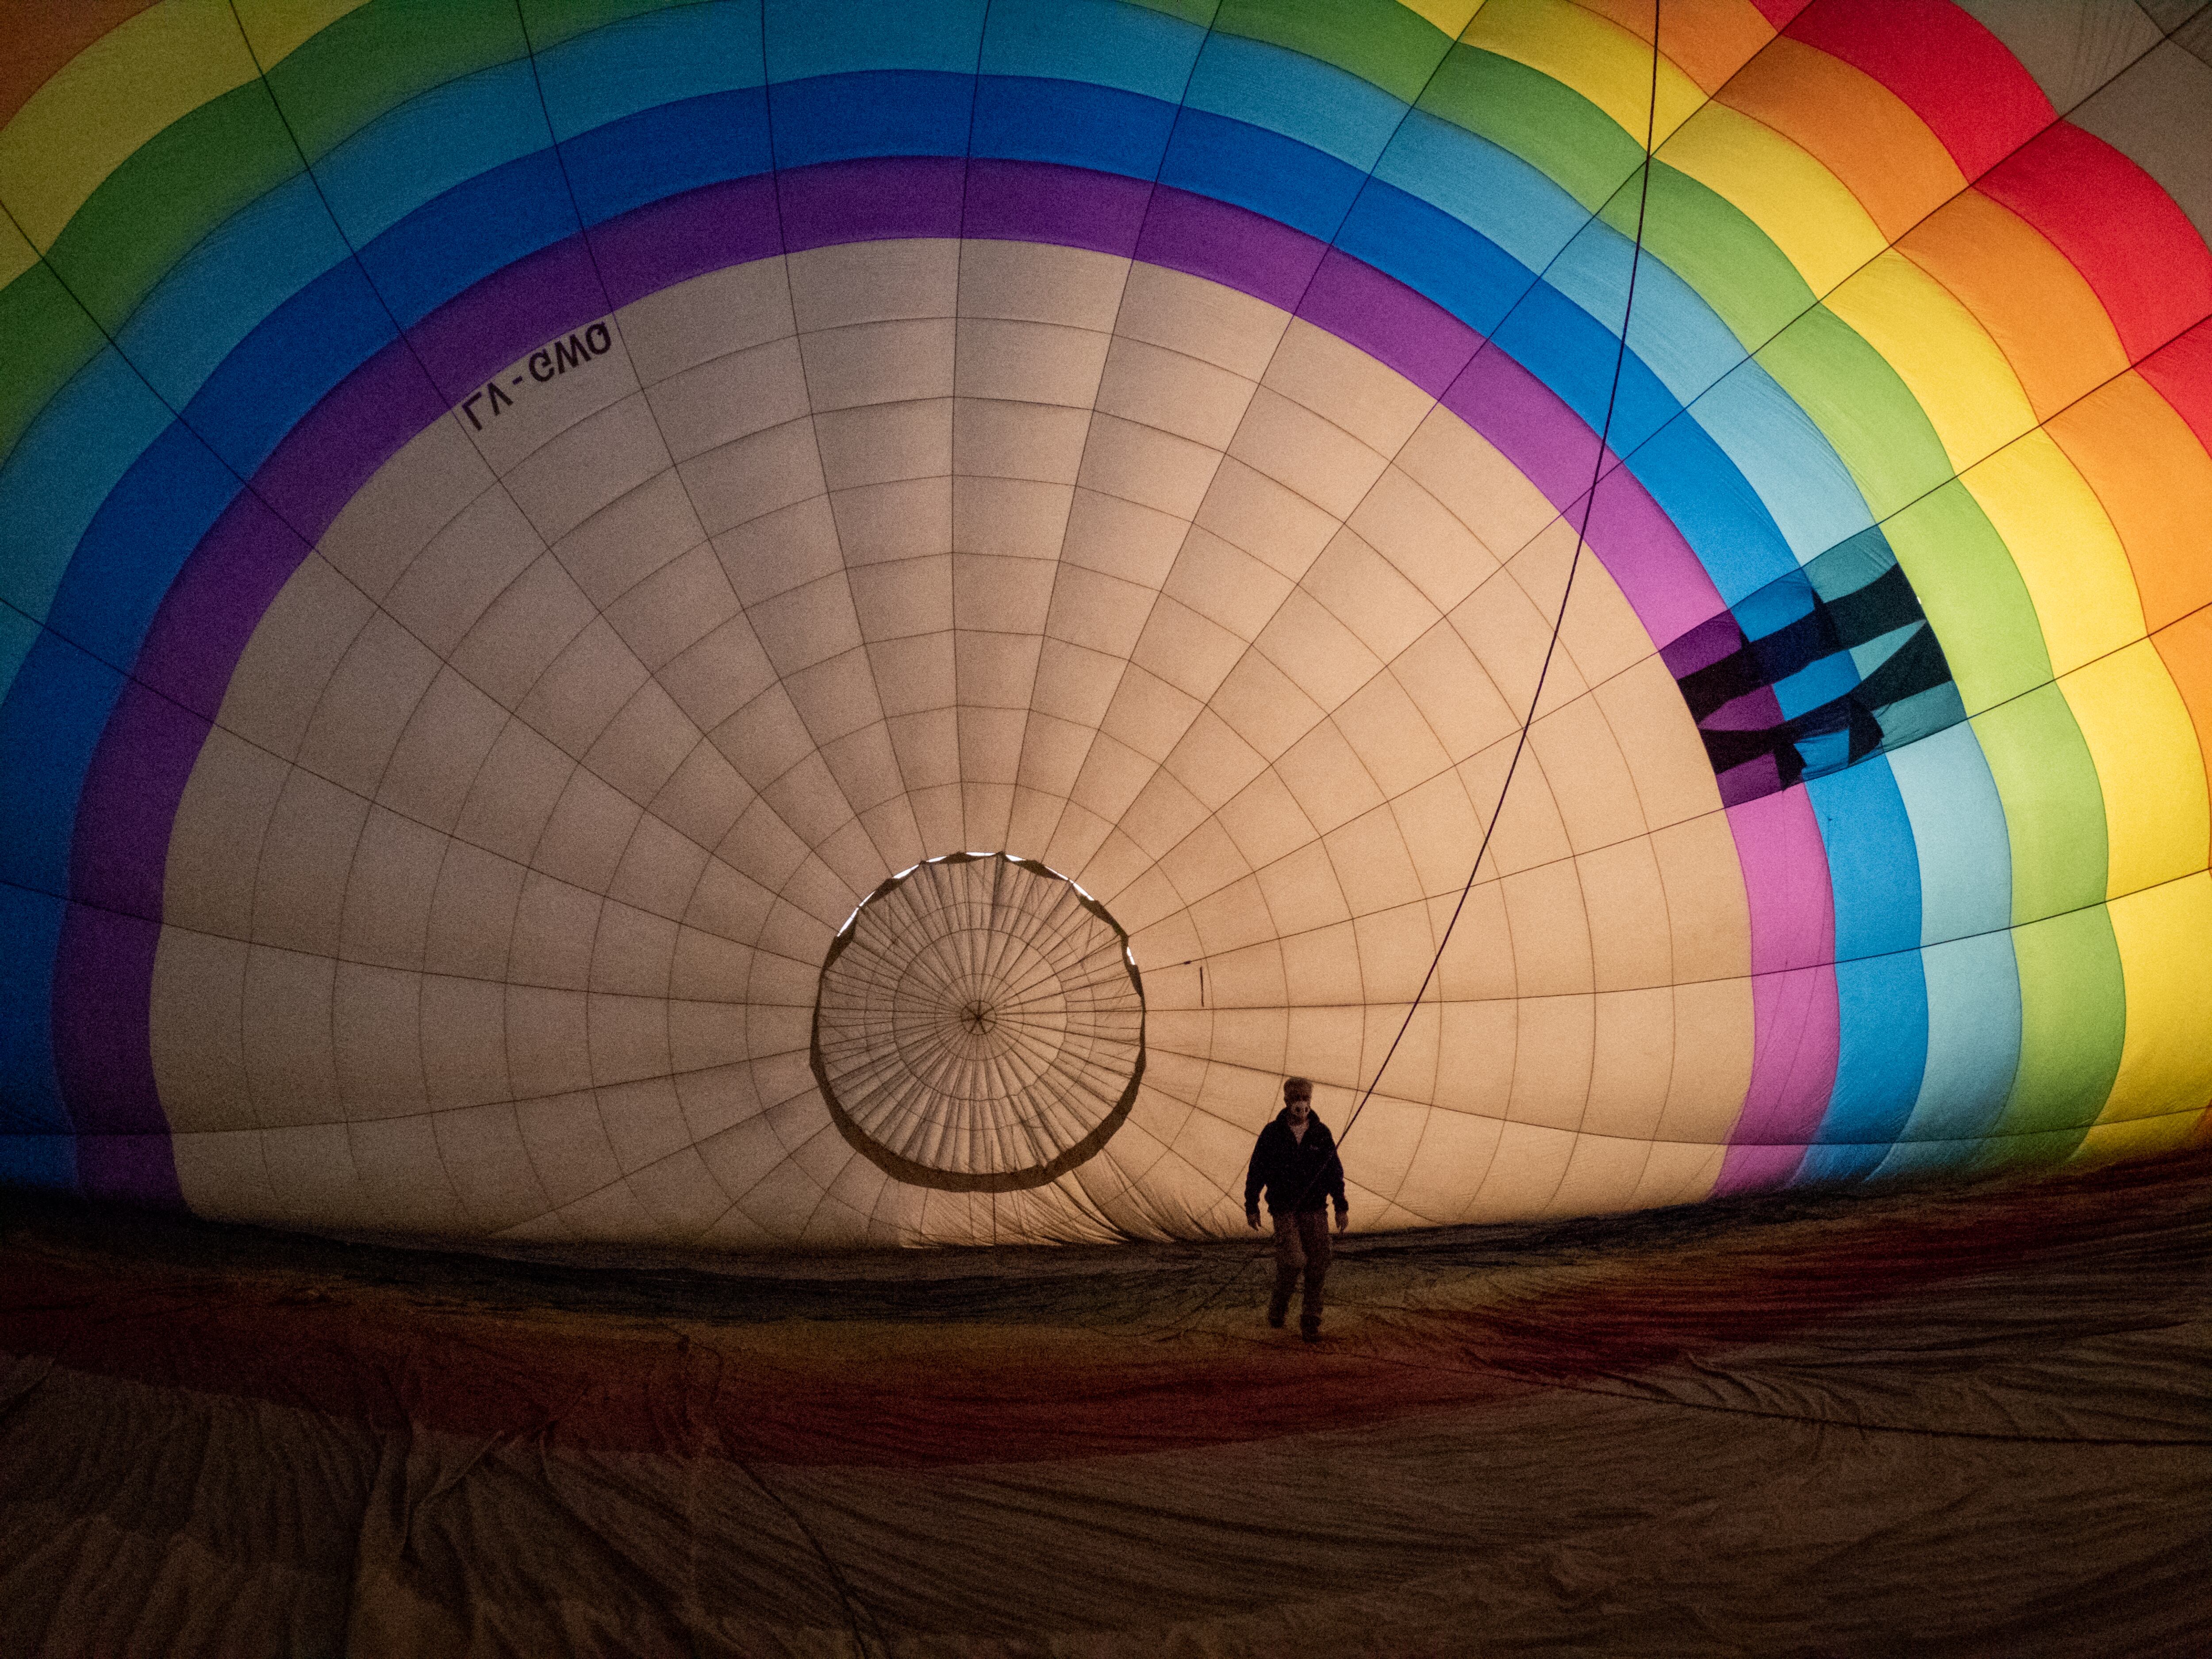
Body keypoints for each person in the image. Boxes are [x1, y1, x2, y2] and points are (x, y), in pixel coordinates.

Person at [1244, 1077, 1348, 1341]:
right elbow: (1257, 1170)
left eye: (1306, 1099)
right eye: (1296, 1099)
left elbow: (1334, 1172)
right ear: (1287, 1101)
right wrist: (1252, 1205)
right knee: (1293, 1260)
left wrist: (1340, 1205)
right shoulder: (1272, 1134)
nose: (1301, 1105)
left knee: (1320, 1259)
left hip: (1314, 1208)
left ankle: (1311, 1319)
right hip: (1284, 1209)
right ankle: (1278, 1307)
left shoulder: (1321, 1133)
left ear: (1310, 1102)